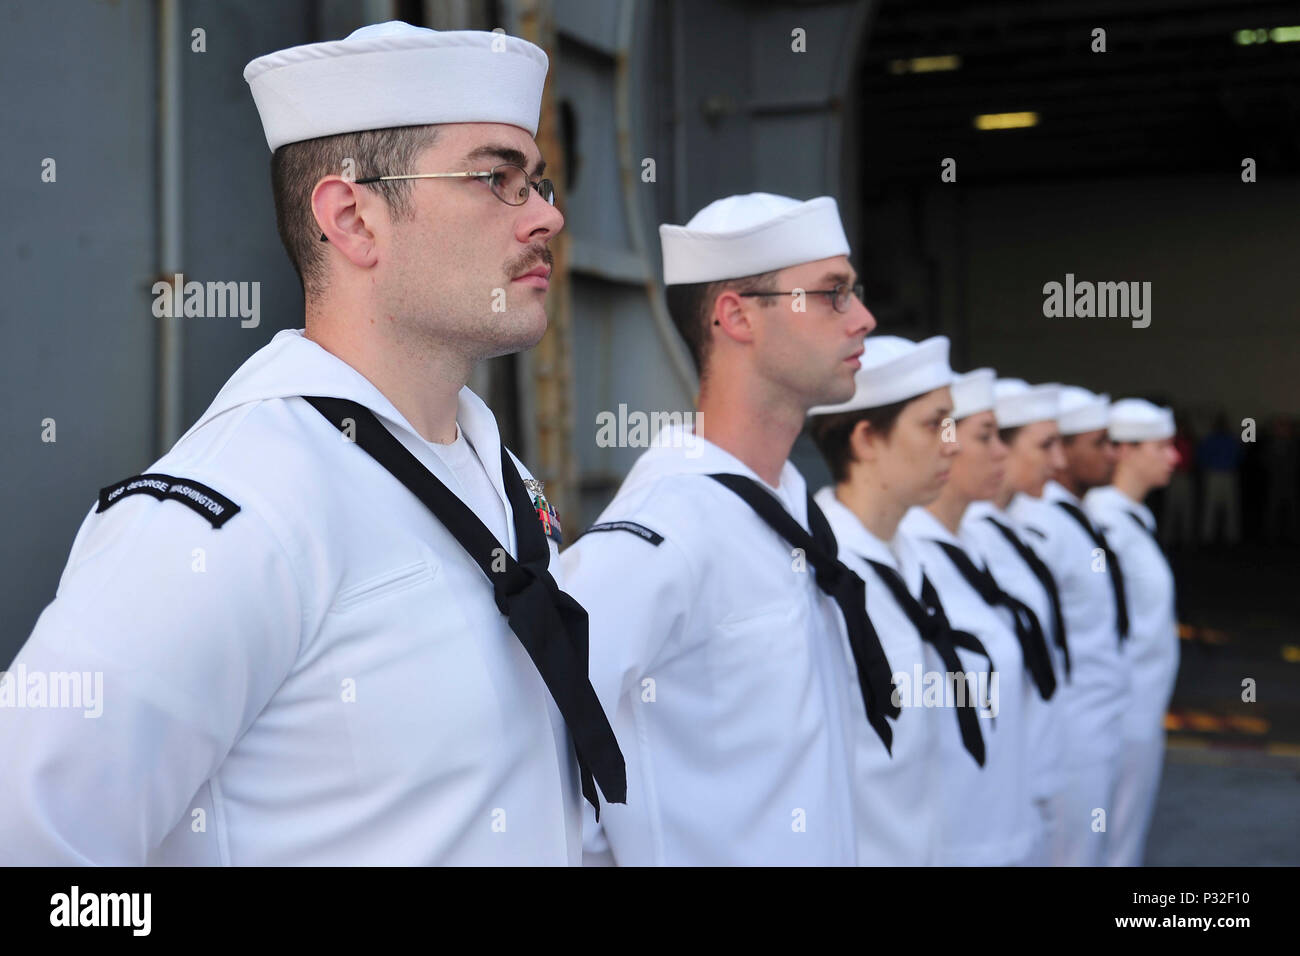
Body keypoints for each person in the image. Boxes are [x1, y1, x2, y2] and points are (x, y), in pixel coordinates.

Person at [0, 21, 626, 865]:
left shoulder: (499, 478)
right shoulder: (232, 516)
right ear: (353, 218)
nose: (547, 214)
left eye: (539, 181)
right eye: (496, 178)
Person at [561, 192, 879, 865]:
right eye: (832, 294)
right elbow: (548, 757)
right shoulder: (660, 532)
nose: (864, 319)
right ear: (735, 315)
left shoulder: (791, 511)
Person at [809, 336, 988, 865]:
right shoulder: (820, 577)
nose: (952, 444)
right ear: (866, 440)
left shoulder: (912, 558)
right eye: (935, 424)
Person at [900, 368, 1058, 865]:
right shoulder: (907, 559)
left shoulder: (975, 542)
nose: (1002, 453)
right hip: (957, 832)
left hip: (1008, 804)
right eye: (984, 437)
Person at [1009, 384, 1128, 866]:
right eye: (1099, 442)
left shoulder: (1077, 516)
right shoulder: (1035, 524)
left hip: (1102, 715)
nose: (1112, 454)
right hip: (1069, 724)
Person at [961, 379, 1072, 866]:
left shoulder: (1003, 531)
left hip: (1039, 761)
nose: (1059, 462)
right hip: (1009, 779)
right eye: (1044, 445)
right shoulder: (970, 541)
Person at [1084, 399, 1180, 866]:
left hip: (1140, 713)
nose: (1173, 457)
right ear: (1122, 450)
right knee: (1108, 846)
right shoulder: (1105, 528)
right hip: (1119, 717)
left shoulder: (1128, 523)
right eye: (1160, 446)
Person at [1198, 415, 1243, 545]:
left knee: (1228, 507)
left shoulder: (1228, 439)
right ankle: (1209, 535)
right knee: (1214, 507)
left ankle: (1229, 536)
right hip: (1218, 474)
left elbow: (1239, 456)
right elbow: (1202, 456)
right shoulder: (1212, 439)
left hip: (1225, 474)